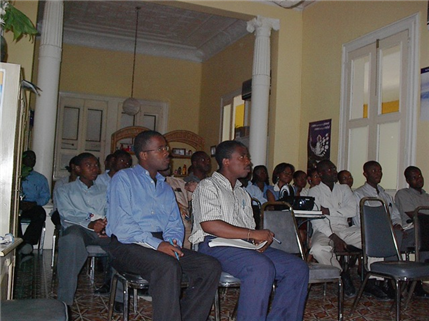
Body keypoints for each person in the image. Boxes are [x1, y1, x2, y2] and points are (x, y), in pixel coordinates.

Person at [106, 130, 221, 321]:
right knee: (168, 266)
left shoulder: (164, 187)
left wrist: (171, 241)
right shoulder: (123, 179)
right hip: (127, 244)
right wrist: (158, 245)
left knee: (209, 266)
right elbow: (122, 225)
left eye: (166, 148)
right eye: (161, 149)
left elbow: (174, 223)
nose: (167, 152)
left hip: (159, 242)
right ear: (144, 155)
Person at [190, 140, 309, 321]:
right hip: (214, 245)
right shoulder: (208, 186)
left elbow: (249, 229)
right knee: (260, 267)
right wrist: (252, 234)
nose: (248, 162)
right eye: (242, 157)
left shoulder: (242, 192)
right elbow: (210, 225)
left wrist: (258, 239)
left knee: (297, 267)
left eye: (248, 157)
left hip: (243, 246)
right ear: (226, 161)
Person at [55, 152, 110, 307]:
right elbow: (66, 214)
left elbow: (112, 210)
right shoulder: (65, 190)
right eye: (89, 165)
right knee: (70, 239)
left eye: (96, 165)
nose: (94, 169)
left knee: (123, 241)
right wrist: (91, 223)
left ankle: (119, 295)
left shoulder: (105, 190)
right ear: (77, 169)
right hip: (78, 229)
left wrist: (106, 225)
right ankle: (64, 301)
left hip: (103, 229)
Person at [308, 159, 361, 298]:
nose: (334, 171)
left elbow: (352, 211)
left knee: (372, 238)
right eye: (330, 169)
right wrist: (332, 236)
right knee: (318, 249)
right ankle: (341, 274)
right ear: (320, 174)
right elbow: (316, 218)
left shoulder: (344, 189)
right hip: (324, 230)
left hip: (344, 228)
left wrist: (329, 211)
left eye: (334, 168)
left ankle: (373, 280)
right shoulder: (314, 191)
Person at [395, 166, 429, 298]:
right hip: (409, 233)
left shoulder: (427, 196)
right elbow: (414, 215)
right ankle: (416, 282)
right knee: (424, 231)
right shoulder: (403, 194)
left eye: (419, 176)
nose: (419, 179)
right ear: (408, 180)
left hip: (424, 233)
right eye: (414, 177)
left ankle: (418, 281)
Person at [18, 150, 50, 255]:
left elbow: (45, 196)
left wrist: (34, 203)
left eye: (34, 159)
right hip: (18, 205)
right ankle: (18, 242)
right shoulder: (16, 175)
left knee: (40, 214)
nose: (32, 160)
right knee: (13, 215)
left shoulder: (40, 178)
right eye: (29, 158)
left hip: (32, 204)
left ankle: (27, 242)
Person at [51, 156, 79, 226]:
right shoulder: (61, 183)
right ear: (73, 166)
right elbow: (57, 202)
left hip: (77, 211)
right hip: (61, 211)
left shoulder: (83, 183)